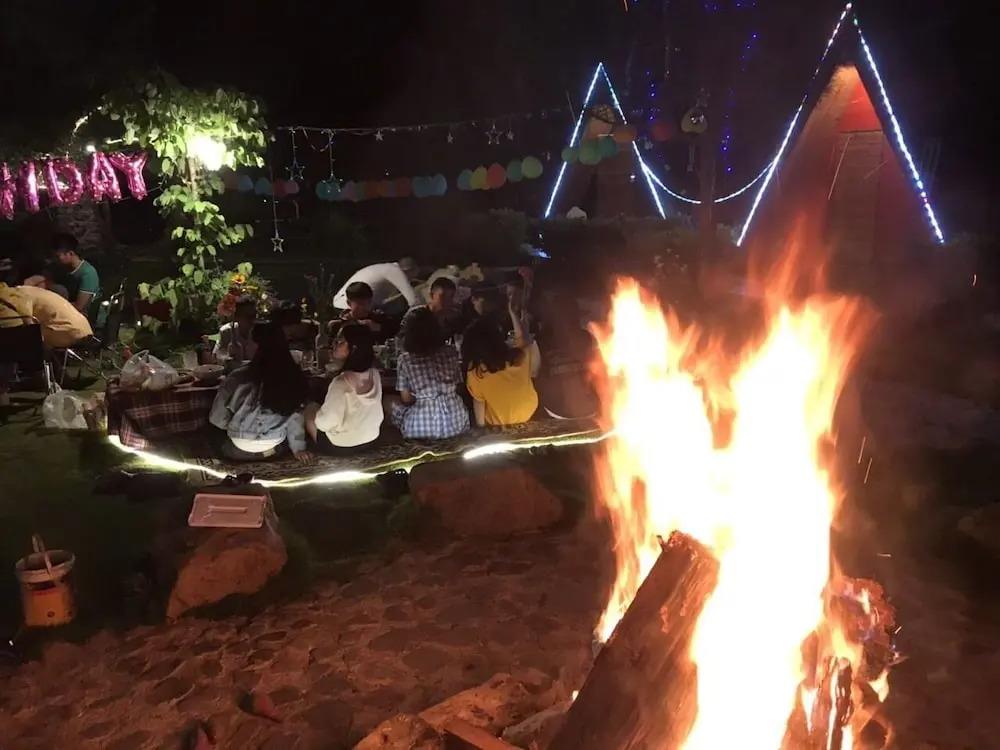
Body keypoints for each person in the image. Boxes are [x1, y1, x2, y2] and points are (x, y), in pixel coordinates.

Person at [209, 323, 312, 463]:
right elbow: (295, 418)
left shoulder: (237, 377)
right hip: (273, 445)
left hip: (239, 446)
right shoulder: (293, 377)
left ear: (256, 346)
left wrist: (239, 426)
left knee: (212, 435)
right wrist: (298, 448)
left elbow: (217, 418)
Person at [387, 306, 469, 440]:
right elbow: (459, 386)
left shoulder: (405, 359)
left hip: (421, 427)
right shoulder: (451, 352)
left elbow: (406, 399)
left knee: (387, 401)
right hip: (457, 421)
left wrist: (424, 395)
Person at [463, 292, 539, 427]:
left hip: (499, 422)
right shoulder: (518, 358)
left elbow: (479, 402)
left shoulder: (476, 372)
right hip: (527, 414)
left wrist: (482, 430)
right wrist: (513, 313)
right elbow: (523, 339)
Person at [304, 324, 384, 453]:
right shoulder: (374, 374)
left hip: (341, 446)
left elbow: (325, 423)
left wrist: (318, 415)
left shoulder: (341, 383)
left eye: (340, 342)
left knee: (310, 410)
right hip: (371, 439)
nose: (334, 344)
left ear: (354, 348)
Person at [534, 290, 600, 420]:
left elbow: (536, 372)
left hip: (557, 408)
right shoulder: (586, 337)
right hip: (590, 406)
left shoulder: (543, 339)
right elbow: (596, 369)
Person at [0, 270, 93, 348]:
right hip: (84, 328)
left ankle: (38, 362)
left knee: (23, 337)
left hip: (68, 331)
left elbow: (26, 317)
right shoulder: (38, 292)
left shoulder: (19, 293)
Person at [332, 257, 419, 312]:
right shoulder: (395, 271)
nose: (411, 279)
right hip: (351, 307)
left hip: (341, 304)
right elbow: (413, 300)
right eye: (414, 274)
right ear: (410, 270)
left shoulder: (384, 268)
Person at [332, 281, 399, 344]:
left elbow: (396, 332)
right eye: (360, 304)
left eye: (369, 302)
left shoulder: (378, 319)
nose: (366, 307)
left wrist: (378, 328)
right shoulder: (340, 323)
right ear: (349, 303)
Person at [399, 276, 460, 344]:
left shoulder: (452, 318)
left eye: (450, 297)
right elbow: (403, 342)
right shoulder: (416, 315)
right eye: (442, 296)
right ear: (431, 295)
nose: (446, 301)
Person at [51, 233, 99, 314]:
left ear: (70, 254)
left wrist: (51, 306)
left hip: (80, 315)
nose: (55, 259)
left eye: (57, 256)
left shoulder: (88, 273)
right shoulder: (63, 267)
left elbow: (79, 306)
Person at [213, 296, 258, 364]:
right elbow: (217, 356)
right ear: (237, 317)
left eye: (254, 315)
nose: (252, 319)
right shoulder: (227, 332)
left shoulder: (260, 332)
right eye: (247, 316)